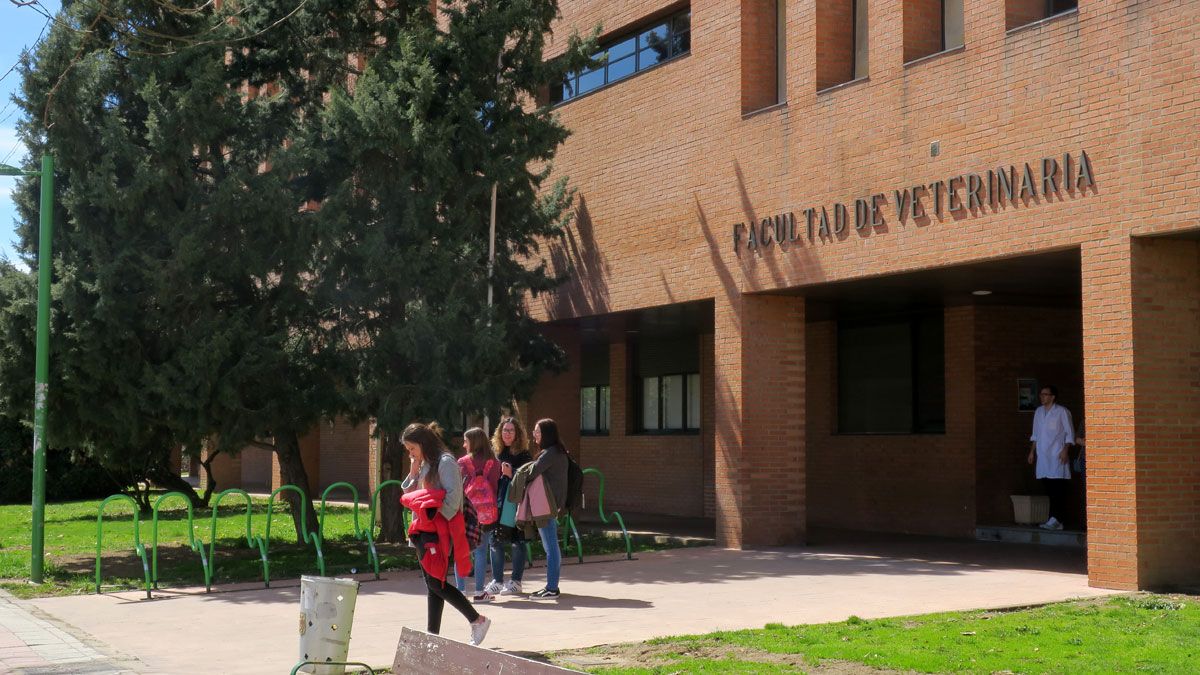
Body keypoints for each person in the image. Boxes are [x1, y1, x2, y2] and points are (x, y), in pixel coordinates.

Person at [399, 422, 491, 645]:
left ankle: (476, 619)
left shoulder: (445, 462)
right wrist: (412, 472)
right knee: (433, 584)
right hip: (423, 531)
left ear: (422, 443)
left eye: (412, 448)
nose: (410, 453)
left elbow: (453, 500)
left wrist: (429, 509)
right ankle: (433, 635)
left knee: (436, 583)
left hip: (439, 533)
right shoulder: (425, 463)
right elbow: (410, 496)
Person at [487, 416, 534, 596]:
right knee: (495, 540)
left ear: (517, 434)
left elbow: (528, 478)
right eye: (504, 430)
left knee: (517, 541)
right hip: (496, 503)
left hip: (515, 504)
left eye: (511, 430)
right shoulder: (496, 453)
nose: (507, 434)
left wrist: (511, 473)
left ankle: (516, 581)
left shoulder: (524, 455)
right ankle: (497, 581)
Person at [456, 427, 501, 602]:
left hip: (466, 512)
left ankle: (460, 590)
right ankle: (479, 591)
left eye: (466, 441)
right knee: (481, 551)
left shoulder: (462, 462)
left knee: (461, 549)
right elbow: (495, 487)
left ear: (473, 442)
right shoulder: (494, 463)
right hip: (486, 513)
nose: (464, 444)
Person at [527, 418, 568, 599]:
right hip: (553, 504)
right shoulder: (557, 451)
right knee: (551, 546)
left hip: (547, 505)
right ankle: (551, 586)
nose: (534, 434)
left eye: (537, 431)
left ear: (547, 434)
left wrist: (512, 473)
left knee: (550, 547)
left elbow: (532, 472)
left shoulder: (550, 454)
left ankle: (552, 588)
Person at [1027, 385, 1075, 531]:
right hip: (1043, 455)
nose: (1042, 397)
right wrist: (1031, 452)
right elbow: (1035, 434)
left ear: (1053, 397)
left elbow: (1069, 433)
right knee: (1047, 486)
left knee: (1057, 487)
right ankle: (1053, 519)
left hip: (1057, 454)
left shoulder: (1062, 412)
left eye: (1045, 394)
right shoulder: (1039, 412)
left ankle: (1057, 519)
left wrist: (1065, 450)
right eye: (1041, 394)